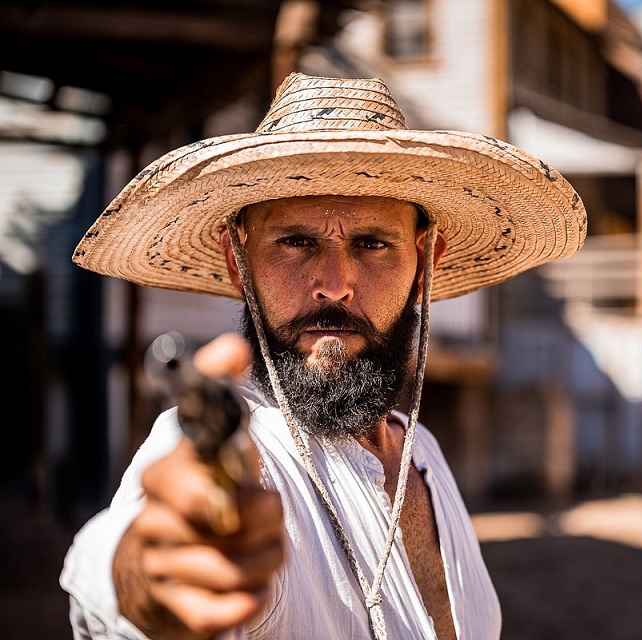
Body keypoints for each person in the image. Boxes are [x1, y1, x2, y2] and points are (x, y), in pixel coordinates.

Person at [61, 73, 586, 640]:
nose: (334, 284)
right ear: (239, 263)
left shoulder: (422, 452)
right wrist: (144, 575)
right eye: (295, 241)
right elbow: (132, 578)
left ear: (425, 261)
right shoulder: (236, 452)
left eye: (371, 244)